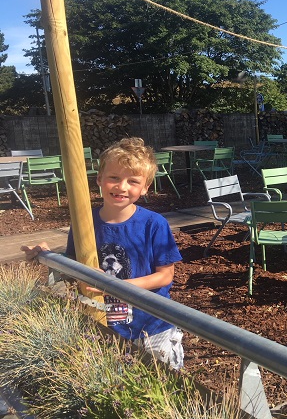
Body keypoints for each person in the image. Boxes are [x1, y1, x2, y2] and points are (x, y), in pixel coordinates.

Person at [21, 137, 184, 370]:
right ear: (99, 179)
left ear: (146, 186)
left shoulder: (154, 224)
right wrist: (48, 256)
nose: (122, 187)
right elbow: (75, 266)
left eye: (133, 181)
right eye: (114, 178)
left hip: (152, 327)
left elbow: (165, 276)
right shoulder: (84, 224)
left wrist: (117, 286)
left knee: (160, 391)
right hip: (104, 325)